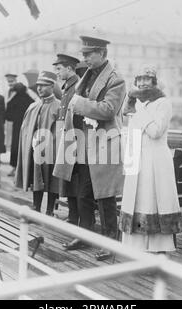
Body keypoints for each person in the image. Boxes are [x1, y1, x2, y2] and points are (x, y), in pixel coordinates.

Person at [53, 36, 126, 260]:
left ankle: (109, 241)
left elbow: (108, 110)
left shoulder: (116, 80)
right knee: (83, 194)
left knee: (105, 196)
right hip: (82, 142)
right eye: (83, 54)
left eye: (88, 54)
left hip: (104, 142)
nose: (83, 58)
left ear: (102, 54)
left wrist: (79, 104)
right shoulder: (87, 75)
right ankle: (85, 235)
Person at [119, 66, 182, 253]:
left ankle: (157, 247)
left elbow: (156, 132)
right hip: (138, 160)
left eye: (146, 79)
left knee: (153, 202)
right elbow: (132, 131)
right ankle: (138, 248)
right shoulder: (137, 103)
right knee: (137, 202)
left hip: (155, 161)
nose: (141, 83)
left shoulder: (163, 102)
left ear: (154, 81)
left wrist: (138, 109)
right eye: (138, 79)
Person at [15, 71, 61, 216]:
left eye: (43, 85)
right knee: (36, 178)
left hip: (51, 150)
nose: (39, 89)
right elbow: (25, 128)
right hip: (35, 149)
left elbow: (60, 132)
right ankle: (36, 206)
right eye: (38, 86)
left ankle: (49, 210)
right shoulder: (33, 106)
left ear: (52, 86)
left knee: (53, 180)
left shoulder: (59, 107)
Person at [52, 53, 87, 229]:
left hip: (75, 140)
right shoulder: (67, 87)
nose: (57, 73)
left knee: (76, 182)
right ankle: (73, 217)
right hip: (68, 139)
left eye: (59, 69)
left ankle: (77, 219)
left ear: (69, 68)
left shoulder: (76, 87)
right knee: (69, 180)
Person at [4, 73, 34, 177]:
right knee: (26, 147)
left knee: (16, 146)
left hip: (17, 126)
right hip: (28, 126)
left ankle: (15, 168)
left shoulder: (13, 98)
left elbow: (8, 116)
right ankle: (25, 169)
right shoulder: (29, 99)